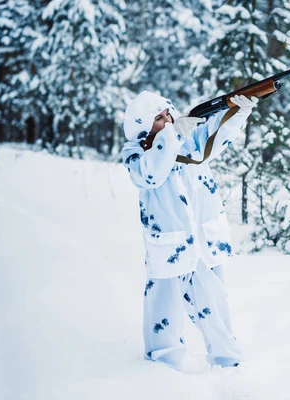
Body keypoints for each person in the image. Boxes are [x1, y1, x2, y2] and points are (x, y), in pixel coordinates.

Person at [121, 91, 258, 371]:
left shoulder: (187, 140)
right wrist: (171, 137)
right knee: (164, 314)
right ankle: (161, 371)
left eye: (168, 114)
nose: (167, 121)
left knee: (215, 307)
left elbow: (214, 137)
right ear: (143, 127)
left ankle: (229, 364)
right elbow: (152, 174)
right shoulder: (135, 154)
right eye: (158, 119)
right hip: (169, 247)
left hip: (204, 242)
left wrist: (240, 111)